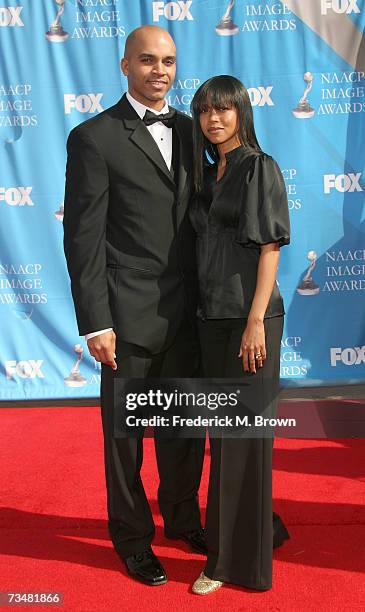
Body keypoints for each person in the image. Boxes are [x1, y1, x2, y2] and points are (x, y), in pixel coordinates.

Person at [63, 25, 206, 587]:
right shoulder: (94, 137)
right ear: (125, 65)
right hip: (125, 317)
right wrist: (95, 321)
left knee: (184, 430)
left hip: (188, 314)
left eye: (169, 61)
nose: (160, 71)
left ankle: (183, 519)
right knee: (126, 441)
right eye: (147, 60)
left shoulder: (196, 132)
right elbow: (83, 237)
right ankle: (131, 538)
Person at [189, 75, 290, 594]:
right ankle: (261, 527)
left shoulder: (258, 167)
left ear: (242, 113)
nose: (214, 119)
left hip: (249, 321)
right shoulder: (208, 173)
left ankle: (229, 562)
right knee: (224, 439)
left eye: (224, 110)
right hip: (211, 320)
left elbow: (270, 246)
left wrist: (255, 321)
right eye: (206, 110)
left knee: (242, 440)